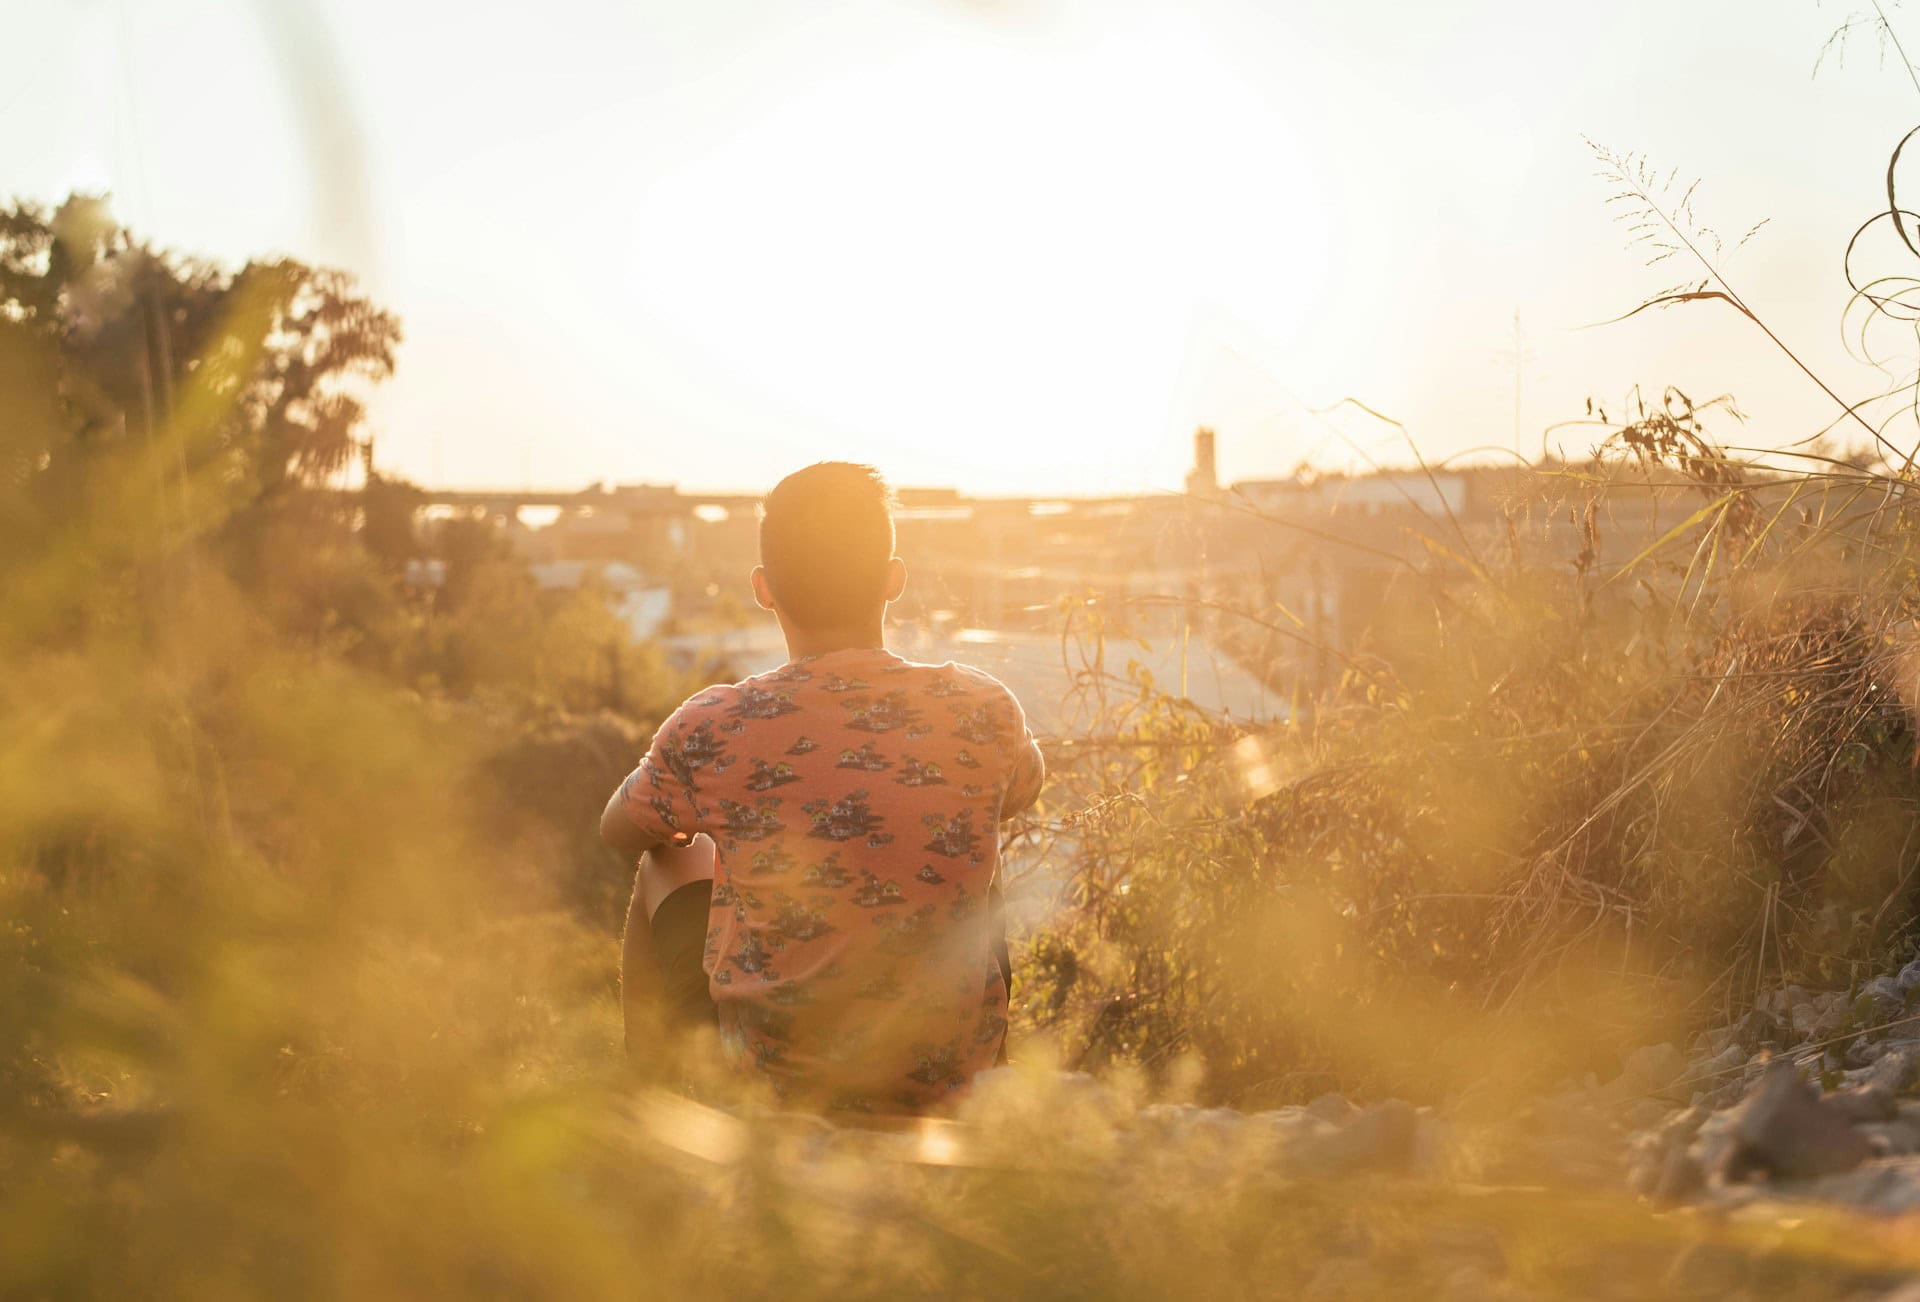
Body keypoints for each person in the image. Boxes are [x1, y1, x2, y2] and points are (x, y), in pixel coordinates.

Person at [601, 462, 1044, 1115]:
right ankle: (968, 1065)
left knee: (666, 857)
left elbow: (617, 828)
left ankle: (657, 1106)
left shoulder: (714, 726)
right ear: (894, 580)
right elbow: (1023, 789)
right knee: (970, 843)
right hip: (946, 1086)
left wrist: (728, 831)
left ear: (763, 589)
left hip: (777, 1086)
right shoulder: (983, 708)